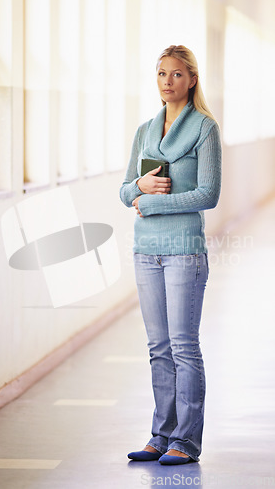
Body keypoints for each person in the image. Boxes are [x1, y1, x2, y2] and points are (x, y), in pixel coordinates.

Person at [119, 45, 221, 465]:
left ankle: (186, 442)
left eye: (177, 74)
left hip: (183, 252)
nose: (167, 81)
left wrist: (153, 202)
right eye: (161, 73)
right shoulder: (145, 130)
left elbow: (209, 194)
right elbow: (126, 192)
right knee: (158, 347)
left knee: (183, 346)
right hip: (147, 251)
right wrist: (140, 189)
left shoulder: (205, 129)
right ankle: (160, 435)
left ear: (191, 80)